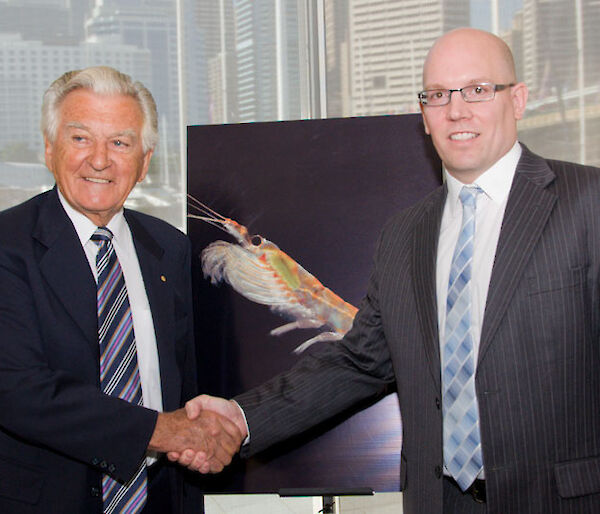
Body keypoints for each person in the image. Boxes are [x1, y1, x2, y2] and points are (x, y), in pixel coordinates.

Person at [178, 28, 600, 513]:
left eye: (478, 90)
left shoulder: (587, 203)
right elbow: (358, 360)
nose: (456, 110)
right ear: (423, 115)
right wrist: (239, 416)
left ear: (518, 99)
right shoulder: (405, 234)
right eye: (437, 95)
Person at [0, 66, 242, 514]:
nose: (99, 159)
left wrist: (197, 441)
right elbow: (19, 390)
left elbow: (183, 383)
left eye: (120, 142)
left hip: (161, 498)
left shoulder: (168, 246)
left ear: (145, 160)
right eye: (80, 139)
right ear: (49, 149)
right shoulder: (8, 245)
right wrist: (164, 431)